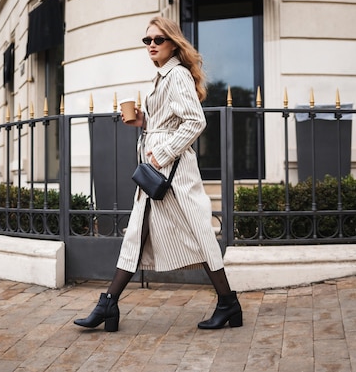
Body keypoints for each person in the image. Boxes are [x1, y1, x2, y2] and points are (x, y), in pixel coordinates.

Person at [73, 16, 242, 332]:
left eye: (157, 40)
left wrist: (162, 152)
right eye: (146, 40)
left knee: (200, 234)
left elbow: (195, 122)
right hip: (158, 172)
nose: (151, 45)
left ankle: (228, 303)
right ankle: (108, 303)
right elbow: (170, 121)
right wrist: (144, 122)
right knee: (136, 233)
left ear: (173, 43)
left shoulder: (176, 75)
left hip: (173, 175)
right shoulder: (163, 78)